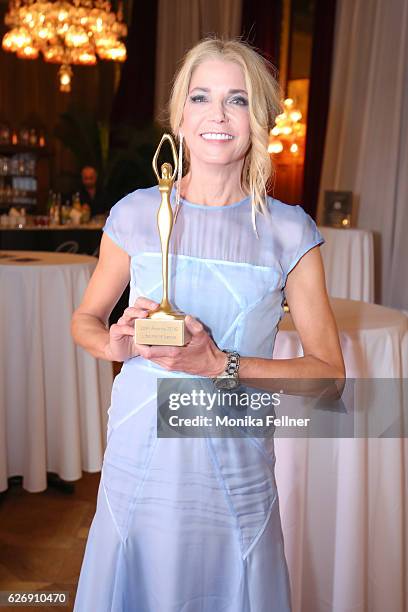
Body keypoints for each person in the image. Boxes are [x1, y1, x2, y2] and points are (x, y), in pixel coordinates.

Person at [71, 38, 345, 612]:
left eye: (237, 99)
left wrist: (218, 363)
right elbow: (86, 320)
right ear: (179, 115)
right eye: (201, 97)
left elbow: (328, 378)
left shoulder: (290, 232)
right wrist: (114, 341)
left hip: (234, 463)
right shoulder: (136, 214)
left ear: (260, 118)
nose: (217, 115)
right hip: (138, 450)